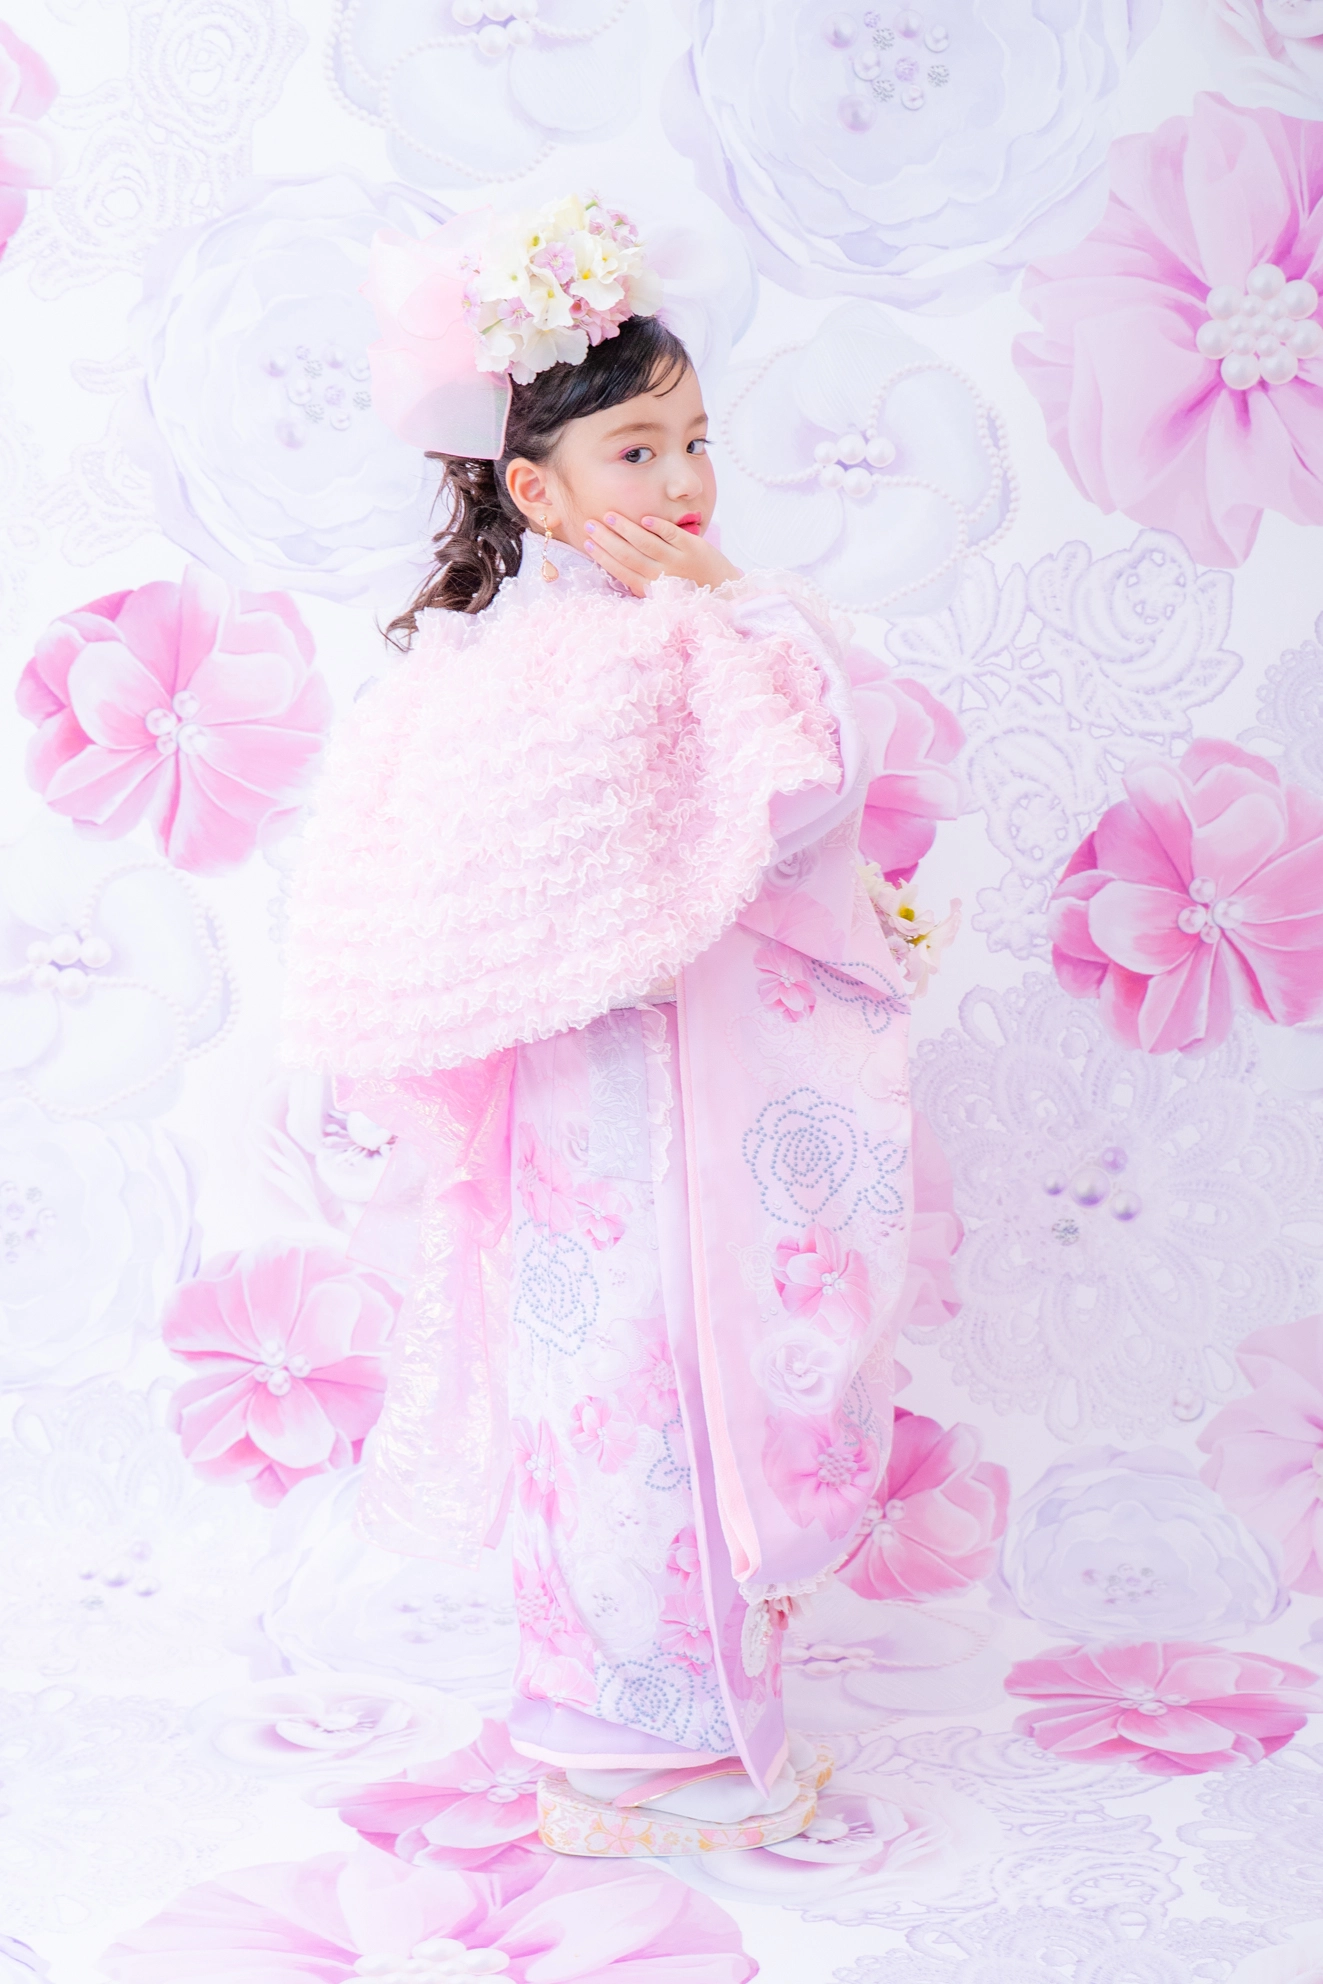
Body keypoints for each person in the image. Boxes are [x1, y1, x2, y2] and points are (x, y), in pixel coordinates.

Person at [282, 193, 913, 1858]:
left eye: (694, 443)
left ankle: (689, 1729)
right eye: (636, 452)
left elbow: (806, 802)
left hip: (700, 1098)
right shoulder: (511, 674)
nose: (683, 484)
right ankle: (616, 1743)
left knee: (698, 1380)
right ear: (536, 491)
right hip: (586, 1112)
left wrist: (740, 608)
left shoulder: (712, 633)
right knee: (604, 1397)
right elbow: (454, 893)